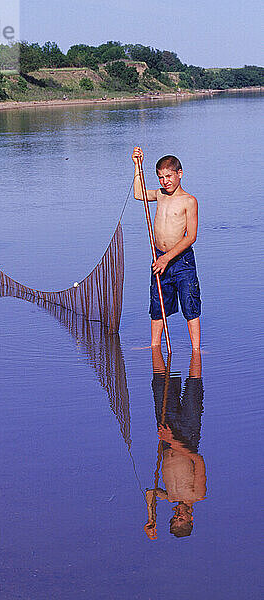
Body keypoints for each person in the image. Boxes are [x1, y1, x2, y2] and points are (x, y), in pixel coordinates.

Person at [132, 147, 201, 349]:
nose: (165, 181)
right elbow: (138, 193)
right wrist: (137, 166)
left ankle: (196, 350)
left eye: (169, 176)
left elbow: (191, 237)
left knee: (190, 304)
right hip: (159, 258)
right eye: (161, 177)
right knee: (157, 304)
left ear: (180, 174)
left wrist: (167, 258)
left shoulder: (189, 200)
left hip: (181, 261)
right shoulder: (160, 195)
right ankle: (154, 346)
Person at [144, 347, 206, 540]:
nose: (178, 515)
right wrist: (173, 440)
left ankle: (159, 353)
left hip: (166, 440)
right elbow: (198, 460)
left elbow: (150, 493)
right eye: (182, 518)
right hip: (187, 435)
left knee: (161, 388)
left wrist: (151, 517)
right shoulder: (197, 494)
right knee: (193, 387)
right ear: (191, 518)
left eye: (174, 518)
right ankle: (196, 352)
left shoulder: (169, 496)